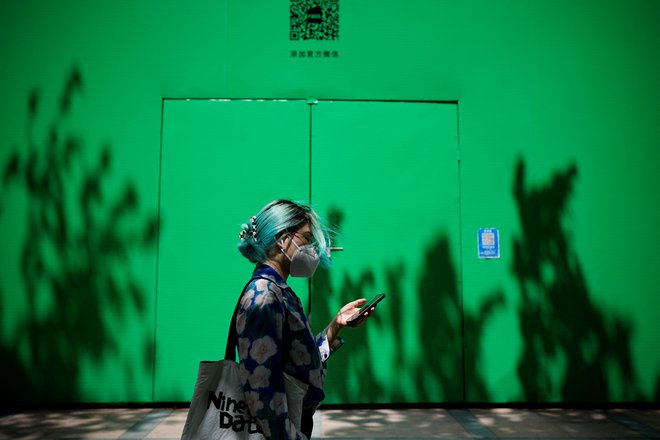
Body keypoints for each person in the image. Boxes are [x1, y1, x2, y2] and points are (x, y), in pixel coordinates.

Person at [236, 199, 374, 440]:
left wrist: (336, 325)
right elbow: (262, 391)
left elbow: (298, 358)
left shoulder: (277, 290)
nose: (313, 249)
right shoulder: (264, 296)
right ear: (282, 239)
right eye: (307, 238)